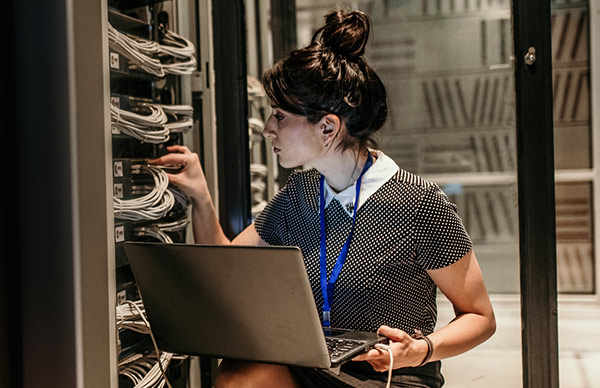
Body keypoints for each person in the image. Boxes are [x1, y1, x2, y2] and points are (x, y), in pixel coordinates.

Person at [147, 9, 496, 388]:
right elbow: (226, 271)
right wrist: (200, 195)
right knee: (237, 375)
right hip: (315, 367)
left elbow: (480, 317)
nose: (267, 129)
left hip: (394, 376)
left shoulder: (417, 202)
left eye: (279, 116)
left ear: (328, 127)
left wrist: (421, 349)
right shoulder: (300, 193)